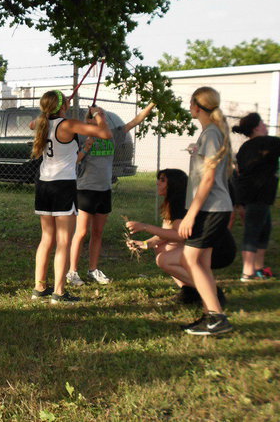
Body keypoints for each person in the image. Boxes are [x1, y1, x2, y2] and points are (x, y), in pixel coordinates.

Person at [30, 90, 111, 304]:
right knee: (63, 241)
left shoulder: (42, 123)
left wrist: (55, 110)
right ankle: (59, 291)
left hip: (44, 185)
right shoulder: (67, 125)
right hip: (63, 186)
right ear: (62, 105)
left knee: (47, 238)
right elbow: (105, 133)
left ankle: (39, 287)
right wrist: (98, 114)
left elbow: (33, 123)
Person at [67, 102, 156, 287]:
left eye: (103, 114)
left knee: (98, 232)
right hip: (85, 189)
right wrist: (86, 147)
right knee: (81, 232)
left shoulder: (112, 134)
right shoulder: (82, 135)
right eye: (99, 114)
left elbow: (136, 121)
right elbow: (73, 159)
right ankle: (72, 272)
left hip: (104, 190)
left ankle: (93, 270)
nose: (103, 117)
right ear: (89, 119)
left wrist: (153, 103)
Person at [176, 87, 235, 335]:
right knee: (202, 262)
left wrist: (191, 214)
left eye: (191, 104)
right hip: (212, 208)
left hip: (210, 209)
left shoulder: (211, 133)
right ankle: (211, 314)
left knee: (189, 259)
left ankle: (217, 317)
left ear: (197, 106)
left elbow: (208, 180)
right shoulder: (210, 133)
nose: (189, 108)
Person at [125, 169, 231, 306]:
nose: (157, 183)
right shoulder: (174, 201)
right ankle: (189, 292)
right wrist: (145, 243)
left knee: (164, 259)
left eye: (162, 180)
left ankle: (212, 293)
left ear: (174, 184)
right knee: (162, 248)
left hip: (219, 250)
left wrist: (144, 226)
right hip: (206, 246)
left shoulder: (179, 202)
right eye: (158, 179)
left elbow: (179, 236)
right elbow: (166, 234)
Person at [231, 112, 280, 281]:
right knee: (252, 232)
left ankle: (259, 269)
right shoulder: (269, 143)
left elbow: (239, 174)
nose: (266, 126)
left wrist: (239, 202)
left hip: (251, 197)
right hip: (257, 196)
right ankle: (247, 272)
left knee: (264, 231)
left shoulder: (245, 148)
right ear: (257, 126)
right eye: (264, 123)